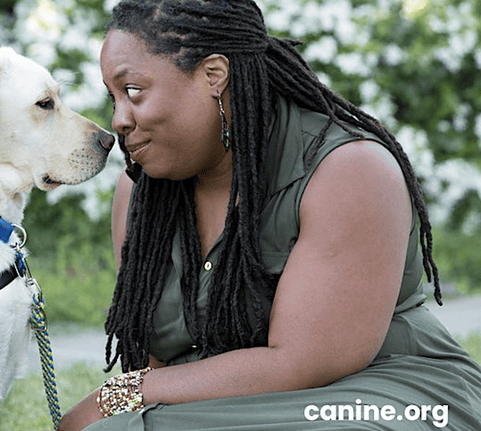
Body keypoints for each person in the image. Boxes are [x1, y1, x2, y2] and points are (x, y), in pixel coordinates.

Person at [57, 0, 481, 430]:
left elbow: (301, 364)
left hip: (376, 398)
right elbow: (153, 363)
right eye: (112, 97)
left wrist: (122, 393)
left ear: (213, 75)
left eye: (133, 92)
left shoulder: (347, 169)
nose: (118, 120)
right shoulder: (142, 192)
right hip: (228, 408)